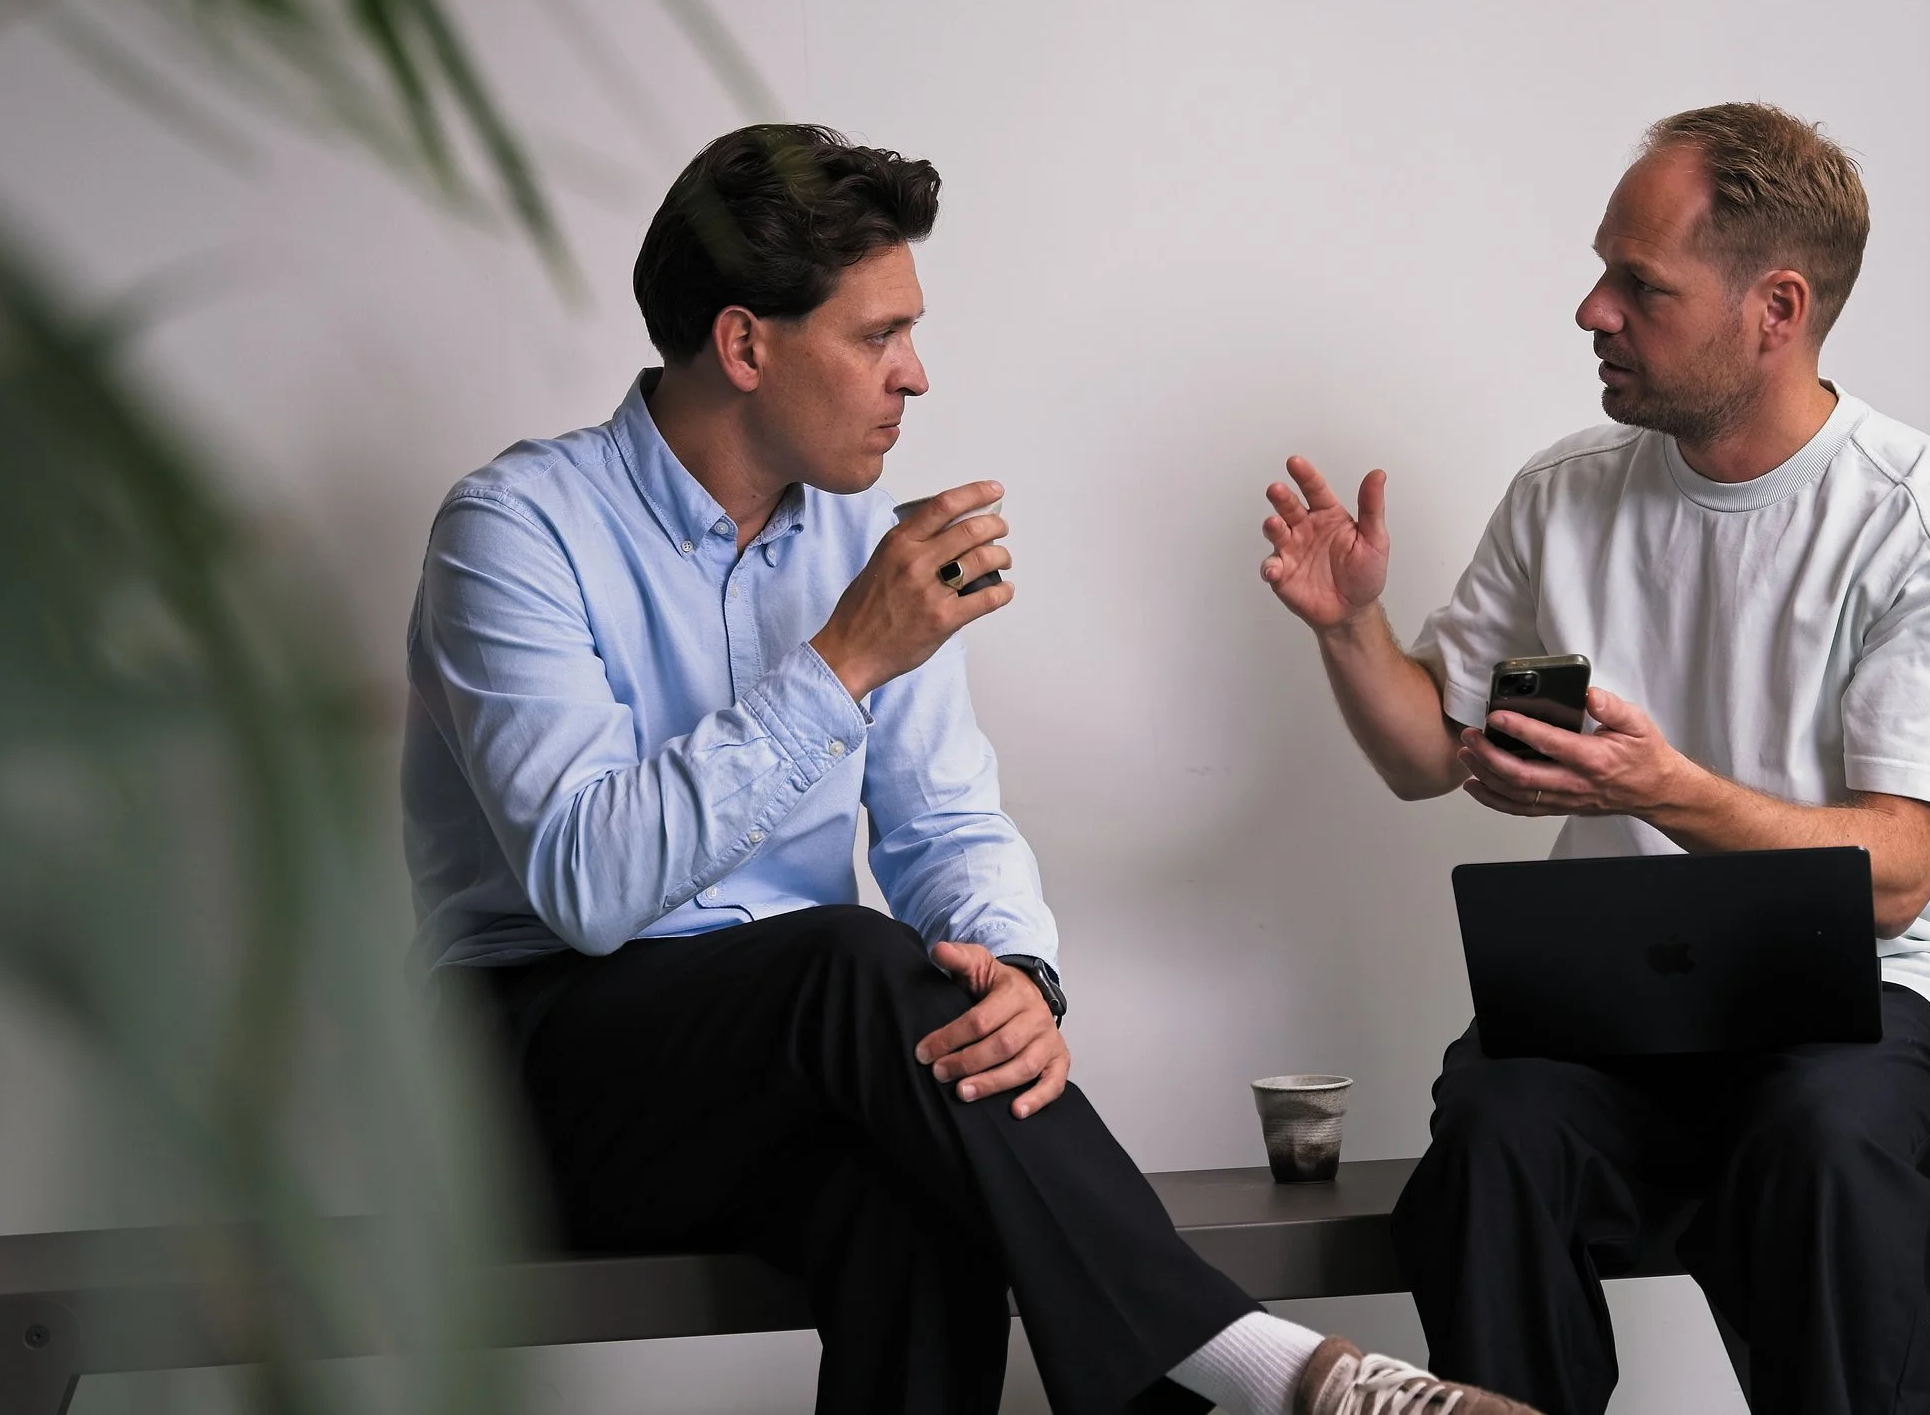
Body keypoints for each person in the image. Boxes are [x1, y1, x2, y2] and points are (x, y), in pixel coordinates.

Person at [403, 124, 1541, 1415]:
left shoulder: (866, 543)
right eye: (877, 336)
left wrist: (1023, 976)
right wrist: (839, 662)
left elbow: (947, 825)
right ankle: (1289, 1374)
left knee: (922, 1193)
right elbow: (586, 886)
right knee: (845, 956)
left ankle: (1256, 1377)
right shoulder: (515, 530)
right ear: (743, 344)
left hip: (803, 1064)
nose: (916, 375)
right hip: (529, 1080)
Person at [1259, 104, 1930, 1415]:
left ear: (1775, 308)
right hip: (1620, 1008)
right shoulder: (1566, 493)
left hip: (1873, 1002)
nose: (1591, 309)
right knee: (1490, 1143)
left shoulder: (1925, 523)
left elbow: (1899, 873)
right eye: (1604, 269)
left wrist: (1661, 788)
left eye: (1640, 285)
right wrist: (1350, 628)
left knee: (1825, 1147)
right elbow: (1423, 752)